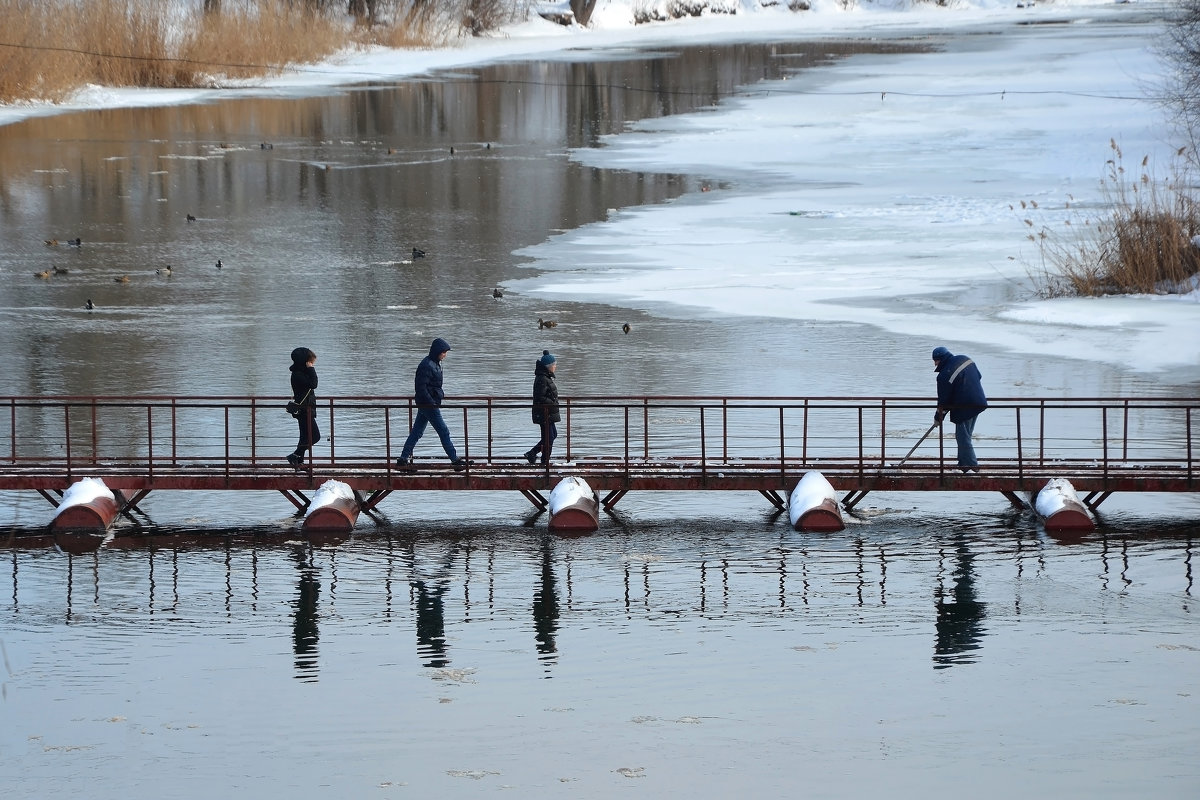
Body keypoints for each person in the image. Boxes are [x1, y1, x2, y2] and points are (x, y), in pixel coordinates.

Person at [396, 337, 469, 472]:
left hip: (427, 404)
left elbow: (431, 386)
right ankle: (454, 460)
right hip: (428, 405)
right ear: (437, 352)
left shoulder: (433, 363)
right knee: (443, 431)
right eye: (443, 352)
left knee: (417, 432)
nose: (445, 355)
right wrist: (432, 403)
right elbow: (421, 387)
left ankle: (402, 459)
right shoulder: (427, 365)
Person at [931, 345, 987, 472]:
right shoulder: (965, 359)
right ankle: (963, 464)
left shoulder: (944, 375)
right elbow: (978, 376)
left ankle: (972, 467)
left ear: (942, 359)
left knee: (963, 437)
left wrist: (938, 417)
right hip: (979, 402)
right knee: (965, 435)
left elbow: (943, 400)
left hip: (964, 407)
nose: (935, 364)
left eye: (936, 360)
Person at [524, 350, 560, 466]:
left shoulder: (545, 377)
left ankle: (533, 453)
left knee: (552, 435)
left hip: (547, 413)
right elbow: (539, 397)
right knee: (549, 437)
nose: (555, 367)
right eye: (554, 365)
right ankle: (544, 461)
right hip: (544, 413)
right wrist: (553, 402)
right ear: (548, 367)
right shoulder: (542, 378)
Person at [287, 347, 320, 467]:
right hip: (304, 410)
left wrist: (309, 369)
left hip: (306, 409)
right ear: (304, 361)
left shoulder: (301, 372)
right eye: (310, 361)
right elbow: (313, 384)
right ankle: (295, 456)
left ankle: (299, 461)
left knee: (305, 437)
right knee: (315, 436)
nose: (312, 364)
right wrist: (311, 369)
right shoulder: (298, 374)